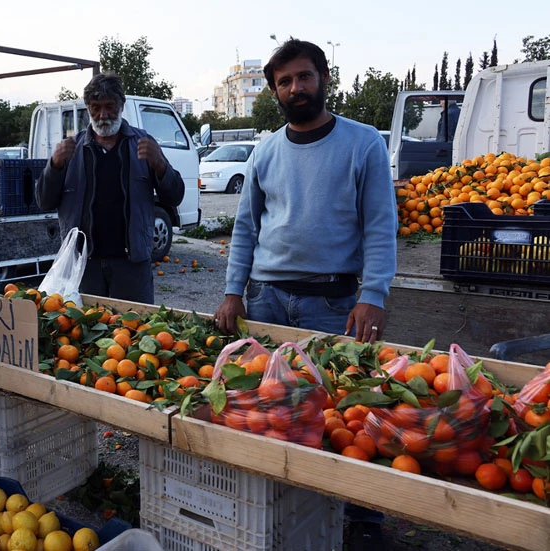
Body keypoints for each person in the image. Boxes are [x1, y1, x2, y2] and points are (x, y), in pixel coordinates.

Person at [212, 39, 397, 551]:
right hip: (267, 298)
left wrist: (374, 294)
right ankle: (277, 498)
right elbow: (246, 228)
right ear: (275, 91)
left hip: (333, 303)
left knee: (345, 408)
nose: (296, 88)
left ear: (323, 78)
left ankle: (361, 515)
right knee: (268, 405)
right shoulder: (266, 151)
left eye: (304, 77)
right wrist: (233, 292)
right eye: (285, 81)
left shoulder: (363, 144)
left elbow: (381, 226)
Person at [35, 72, 184, 305]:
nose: (103, 115)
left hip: (132, 266)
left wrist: (160, 165)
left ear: (121, 105)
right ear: (88, 108)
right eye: (95, 108)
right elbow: (43, 201)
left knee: (135, 332)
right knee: (83, 334)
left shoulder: (143, 144)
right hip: (83, 265)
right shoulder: (71, 150)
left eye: (109, 106)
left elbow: (175, 196)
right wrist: (54, 166)